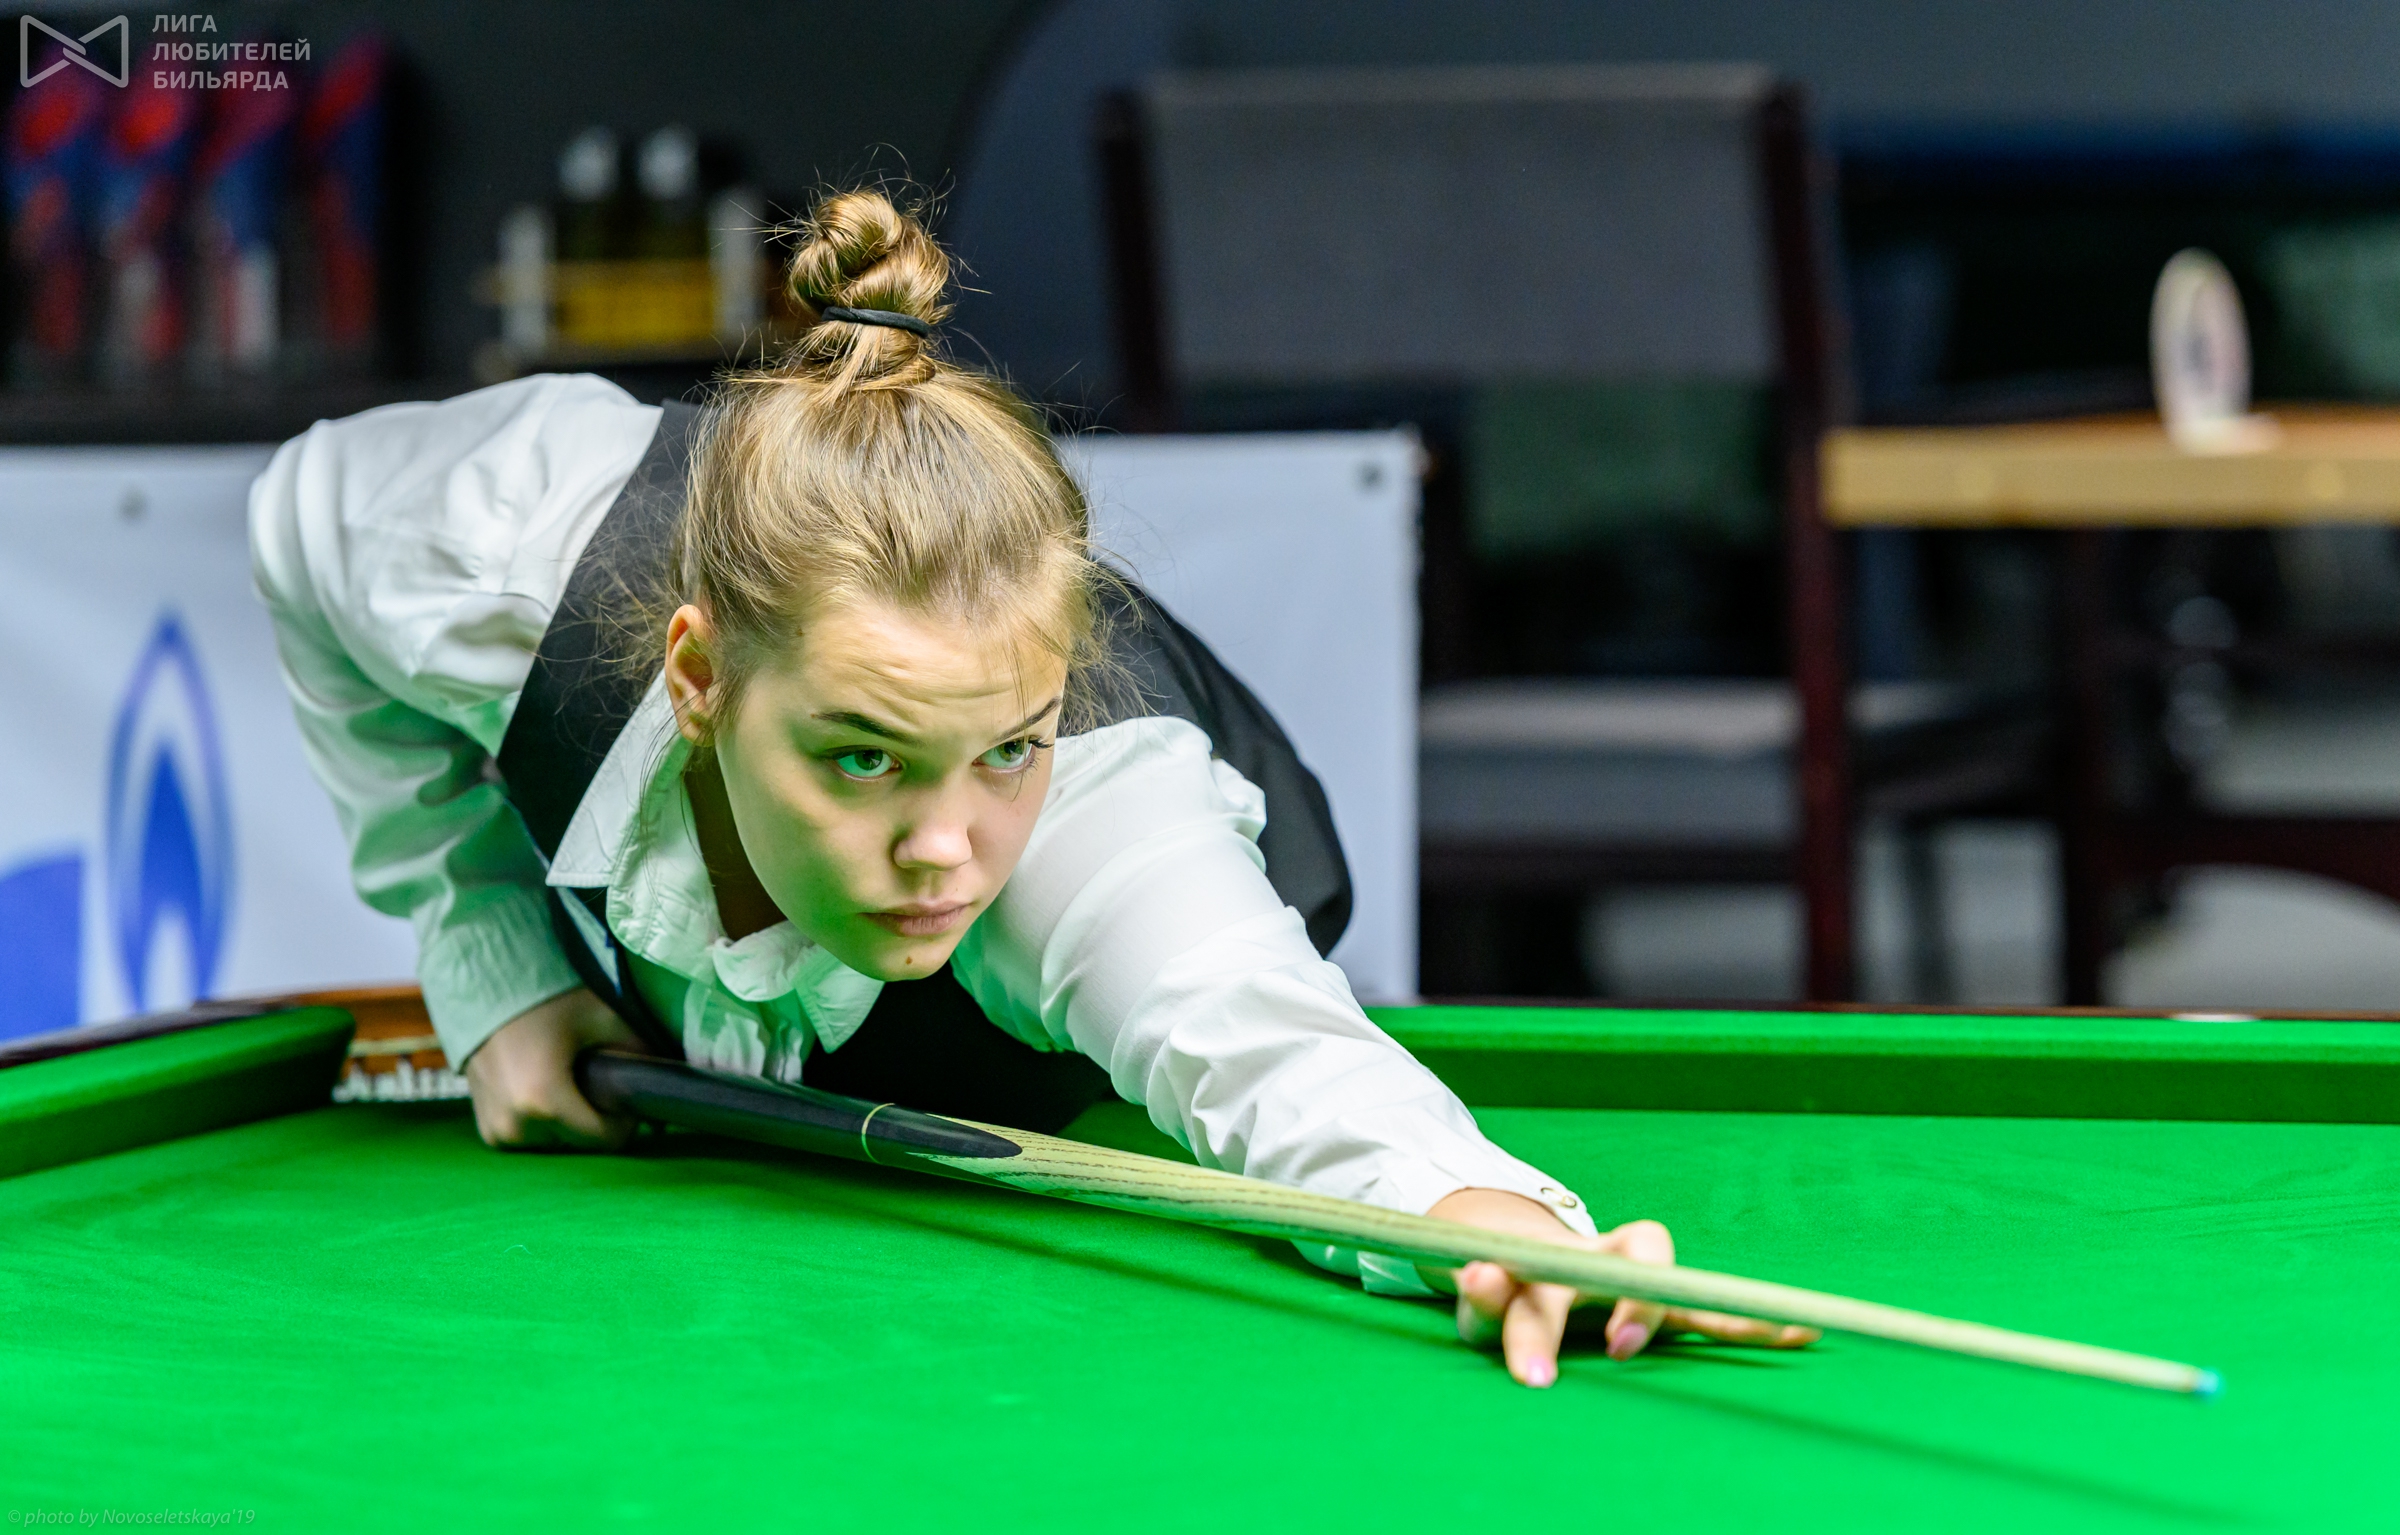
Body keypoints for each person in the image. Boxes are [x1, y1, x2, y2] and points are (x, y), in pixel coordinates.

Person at [251, 187, 1812, 1388]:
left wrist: (1491, 1227)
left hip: (1060, 1030)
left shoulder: (1093, 842)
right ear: (700, 676)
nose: (948, 850)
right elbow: (297, 520)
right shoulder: (511, 552)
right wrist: (492, 956)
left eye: (1010, 744)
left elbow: (1276, 1060)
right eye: (864, 756)